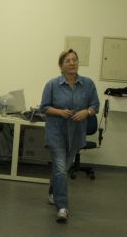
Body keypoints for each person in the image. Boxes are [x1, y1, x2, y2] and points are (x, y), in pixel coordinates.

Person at [40, 49, 99, 223]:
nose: (72, 63)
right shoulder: (52, 85)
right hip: (56, 133)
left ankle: (53, 191)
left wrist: (87, 112)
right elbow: (44, 107)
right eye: (68, 60)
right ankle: (62, 207)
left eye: (75, 60)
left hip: (76, 134)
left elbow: (95, 105)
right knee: (60, 168)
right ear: (61, 65)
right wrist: (59, 112)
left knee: (63, 169)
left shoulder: (88, 84)